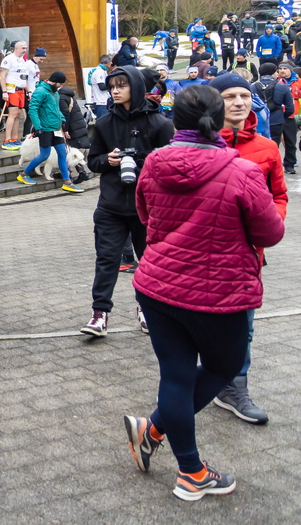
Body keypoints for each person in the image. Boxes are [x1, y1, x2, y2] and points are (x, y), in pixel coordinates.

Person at [121, 84, 283, 502]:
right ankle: (179, 460)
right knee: (223, 366)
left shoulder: (154, 162)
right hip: (217, 294)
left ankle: (175, 454)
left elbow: (144, 215)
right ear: (218, 119)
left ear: (177, 120)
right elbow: (270, 233)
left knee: (175, 377)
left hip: (157, 287)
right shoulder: (242, 171)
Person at [207, 73, 287, 425]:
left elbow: (278, 195)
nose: (240, 102)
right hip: (204, 253)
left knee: (244, 327)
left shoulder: (267, 148)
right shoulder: (199, 144)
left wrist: (270, 223)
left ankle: (234, 388)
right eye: (230, 96)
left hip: (249, 255)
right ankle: (197, 382)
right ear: (214, 102)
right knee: (203, 326)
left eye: (244, 95)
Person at [81, 67, 174, 337]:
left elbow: (170, 165)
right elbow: (92, 161)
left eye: (122, 85)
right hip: (110, 206)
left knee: (149, 261)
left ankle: (146, 308)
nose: (115, 91)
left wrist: (140, 161)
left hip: (148, 208)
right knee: (106, 259)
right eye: (112, 87)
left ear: (136, 86)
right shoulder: (104, 123)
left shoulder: (160, 124)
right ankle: (99, 313)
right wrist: (108, 161)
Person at [16, 72, 84, 193]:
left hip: (56, 128)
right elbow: (33, 109)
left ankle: (67, 182)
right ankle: (24, 174)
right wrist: (38, 127)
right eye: (60, 84)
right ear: (54, 81)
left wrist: (62, 119)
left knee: (62, 153)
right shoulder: (40, 91)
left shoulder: (55, 92)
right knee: (44, 155)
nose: (60, 86)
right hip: (45, 129)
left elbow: (56, 109)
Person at [0, 41, 30, 149]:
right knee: (12, 114)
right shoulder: (9, 59)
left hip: (21, 90)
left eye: (25, 48)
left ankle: (14, 138)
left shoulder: (22, 60)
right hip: (12, 90)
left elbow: (24, 78)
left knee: (18, 115)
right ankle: (7, 140)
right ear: (16, 48)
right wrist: (4, 91)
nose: (24, 50)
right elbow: (2, 76)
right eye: (23, 48)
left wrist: (29, 91)